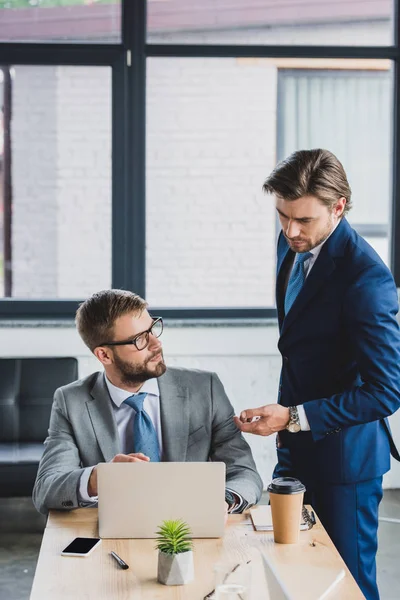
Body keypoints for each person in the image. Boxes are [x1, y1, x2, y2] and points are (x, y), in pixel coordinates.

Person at [234, 149, 400, 600]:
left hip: (346, 464)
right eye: (282, 216)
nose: (290, 230)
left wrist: (291, 416)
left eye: (303, 219)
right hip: (296, 447)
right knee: (291, 569)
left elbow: (386, 391)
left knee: (346, 584)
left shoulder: (367, 280)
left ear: (339, 206)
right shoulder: (291, 245)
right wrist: (287, 423)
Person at [33, 289, 262, 516]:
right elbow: (46, 490)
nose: (156, 344)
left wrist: (224, 500)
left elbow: (244, 472)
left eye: (152, 329)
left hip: (188, 529)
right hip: (113, 530)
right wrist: (97, 478)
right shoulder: (71, 402)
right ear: (104, 355)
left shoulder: (205, 388)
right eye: (139, 339)